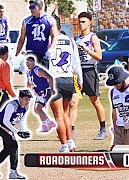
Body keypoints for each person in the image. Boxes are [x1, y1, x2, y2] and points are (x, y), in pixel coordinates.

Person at [49, 15, 83, 152]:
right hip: (68, 79)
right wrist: (79, 80)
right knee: (65, 113)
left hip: (54, 80)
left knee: (58, 115)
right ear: (60, 27)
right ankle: (71, 142)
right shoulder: (69, 40)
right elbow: (76, 62)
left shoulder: (48, 41)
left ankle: (64, 146)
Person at [74, 12, 106, 140]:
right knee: (73, 101)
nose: (80, 24)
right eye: (79, 22)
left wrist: (87, 50)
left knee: (95, 101)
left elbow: (99, 56)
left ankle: (103, 128)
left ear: (89, 23)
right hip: (78, 72)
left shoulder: (93, 37)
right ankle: (70, 131)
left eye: (83, 22)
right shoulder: (76, 39)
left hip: (89, 72)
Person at [0, 90, 32, 179]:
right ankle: (12, 173)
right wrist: (17, 132)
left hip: (8, 127)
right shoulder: (12, 105)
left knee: (8, 148)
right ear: (20, 98)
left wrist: (23, 130)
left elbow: (21, 119)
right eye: (26, 99)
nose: (27, 101)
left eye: (29, 99)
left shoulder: (26, 106)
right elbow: (5, 121)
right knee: (14, 145)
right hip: (1, 125)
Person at [15, 0, 57, 68]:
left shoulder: (49, 20)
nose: (31, 9)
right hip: (31, 53)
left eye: (33, 7)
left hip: (44, 53)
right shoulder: (26, 21)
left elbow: (54, 36)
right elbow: (22, 38)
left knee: (44, 76)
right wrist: (17, 53)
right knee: (32, 76)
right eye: (30, 7)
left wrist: (51, 49)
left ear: (40, 7)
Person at [25, 56, 56, 132]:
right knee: (36, 110)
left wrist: (52, 88)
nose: (27, 63)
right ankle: (50, 122)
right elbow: (29, 83)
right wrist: (30, 91)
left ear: (33, 62)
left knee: (38, 108)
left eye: (29, 61)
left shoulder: (37, 70)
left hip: (45, 90)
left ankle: (45, 126)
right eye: (26, 62)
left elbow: (50, 77)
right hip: (39, 92)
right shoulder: (28, 72)